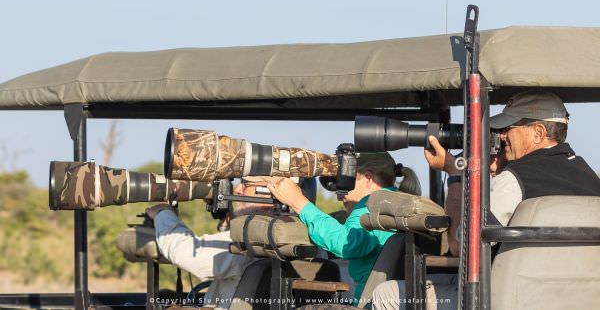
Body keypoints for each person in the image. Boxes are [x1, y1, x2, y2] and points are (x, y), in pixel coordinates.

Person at [371, 90, 600, 310]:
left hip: (506, 298)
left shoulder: (514, 180)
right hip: (571, 298)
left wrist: (455, 174)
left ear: (538, 132)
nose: (501, 136)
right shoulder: (591, 180)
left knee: (387, 294)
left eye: (508, 128)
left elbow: (459, 248)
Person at [145, 178, 317, 309]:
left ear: (277, 193)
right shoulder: (310, 240)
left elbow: (183, 251)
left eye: (246, 184)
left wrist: (163, 213)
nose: (237, 189)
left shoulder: (254, 241)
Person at [267, 152, 410, 304]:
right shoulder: (396, 203)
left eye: (345, 183)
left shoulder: (372, 205)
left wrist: (298, 202)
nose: (338, 195)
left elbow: (345, 243)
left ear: (368, 179)